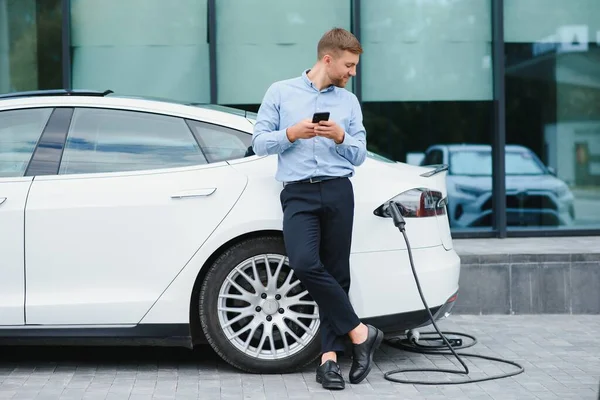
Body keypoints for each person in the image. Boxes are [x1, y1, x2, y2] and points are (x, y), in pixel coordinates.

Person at [251, 27, 383, 390]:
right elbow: (259, 142)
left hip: (339, 190)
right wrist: (291, 134)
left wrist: (341, 137)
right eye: (349, 65)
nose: (352, 73)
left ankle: (328, 362)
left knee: (337, 274)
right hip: (298, 194)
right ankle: (361, 333)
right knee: (305, 262)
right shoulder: (280, 92)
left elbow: (360, 154)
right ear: (329, 59)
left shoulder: (349, 102)